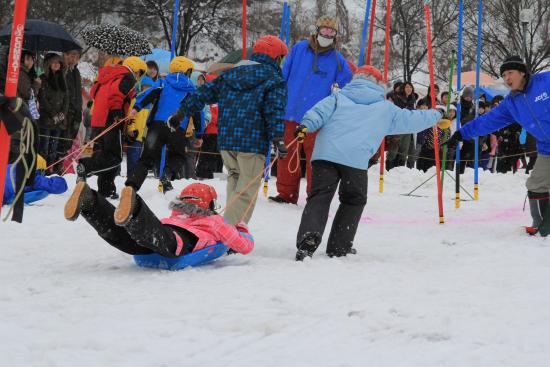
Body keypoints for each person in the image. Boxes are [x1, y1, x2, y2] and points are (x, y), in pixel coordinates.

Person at [292, 65, 444, 260]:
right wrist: (437, 115)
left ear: (355, 79)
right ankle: (339, 246)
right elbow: (412, 119)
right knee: (353, 200)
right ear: (379, 85)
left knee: (319, 197)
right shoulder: (386, 108)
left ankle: (308, 241)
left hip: (325, 156)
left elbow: (317, 113)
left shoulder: (338, 97)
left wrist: (305, 126)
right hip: (355, 161)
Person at [154, 35, 289, 225]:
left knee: (235, 178)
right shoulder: (274, 80)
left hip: (227, 140)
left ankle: (229, 224)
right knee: (247, 189)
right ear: (276, 57)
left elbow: (202, 93)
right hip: (253, 140)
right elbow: (274, 110)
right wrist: (278, 138)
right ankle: (231, 229)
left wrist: (181, 113)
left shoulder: (231, 74)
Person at [444, 56, 550, 236]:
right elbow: (488, 121)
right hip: (547, 149)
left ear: (522, 72)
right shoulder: (511, 104)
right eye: (504, 75)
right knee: (536, 184)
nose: (507, 78)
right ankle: (543, 227)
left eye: (510, 73)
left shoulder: (545, 81)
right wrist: (461, 134)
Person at [269, 15, 353, 205]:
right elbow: (283, 75)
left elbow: (348, 85)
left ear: (336, 35)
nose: (327, 33)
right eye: (324, 29)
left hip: (316, 119)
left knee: (316, 159)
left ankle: (315, 197)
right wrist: (277, 98)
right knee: (287, 156)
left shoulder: (338, 60)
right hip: (290, 112)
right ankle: (286, 194)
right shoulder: (299, 49)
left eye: (332, 31)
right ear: (317, 30)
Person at [64, 181, 254, 258]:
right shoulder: (215, 222)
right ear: (209, 205)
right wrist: (242, 230)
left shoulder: (175, 216)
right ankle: (134, 207)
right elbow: (243, 246)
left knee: (123, 236)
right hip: (179, 240)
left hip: (161, 232)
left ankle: (91, 202)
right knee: (156, 236)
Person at [124, 56, 201, 194]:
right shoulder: (192, 89)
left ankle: (131, 186)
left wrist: (137, 108)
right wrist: (200, 133)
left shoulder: (163, 82)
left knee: (146, 158)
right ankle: (167, 175)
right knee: (178, 156)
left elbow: (148, 93)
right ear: (187, 71)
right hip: (177, 127)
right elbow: (197, 112)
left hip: (157, 127)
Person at [76, 56, 146, 198]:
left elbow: (93, 92)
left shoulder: (110, 75)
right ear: (136, 70)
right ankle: (86, 166)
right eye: (141, 74)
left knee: (104, 155)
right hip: (111, 120)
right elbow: (116, 95)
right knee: (114, 158)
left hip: (98, 120)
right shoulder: (127, 77)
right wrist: (117, 114)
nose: (139, 78)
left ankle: (106, 190)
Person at [37, 53, 69, 167]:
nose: (56, 65)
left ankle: (50, 168)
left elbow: (66, 98)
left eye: (58, 63)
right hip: (46, 119)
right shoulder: (43, 78)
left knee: (54, 147)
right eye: (54, 62)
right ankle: (42, 168)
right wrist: (53, 113)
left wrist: (63, 114)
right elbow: (42, 97)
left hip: (59, 121)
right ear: (49, 64)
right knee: (44, 146)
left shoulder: (63, 79)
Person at [3, 154, 67, 205]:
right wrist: (58, 178)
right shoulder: (32, 177)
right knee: (43, 192)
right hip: (4, 196)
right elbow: (57, 186)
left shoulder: (8, 167)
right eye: (42, 172)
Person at [58, 49, 83, 169]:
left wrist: (79, 110)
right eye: (72, 55)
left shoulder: (76, 72)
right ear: (66, 55)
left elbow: (78, 93)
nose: (74, 58)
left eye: (76, 56)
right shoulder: (62, 70)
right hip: (65, 111)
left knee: (69, 141)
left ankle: (63, 167)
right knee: (61, 140)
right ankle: (57, 167)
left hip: (76, 112)